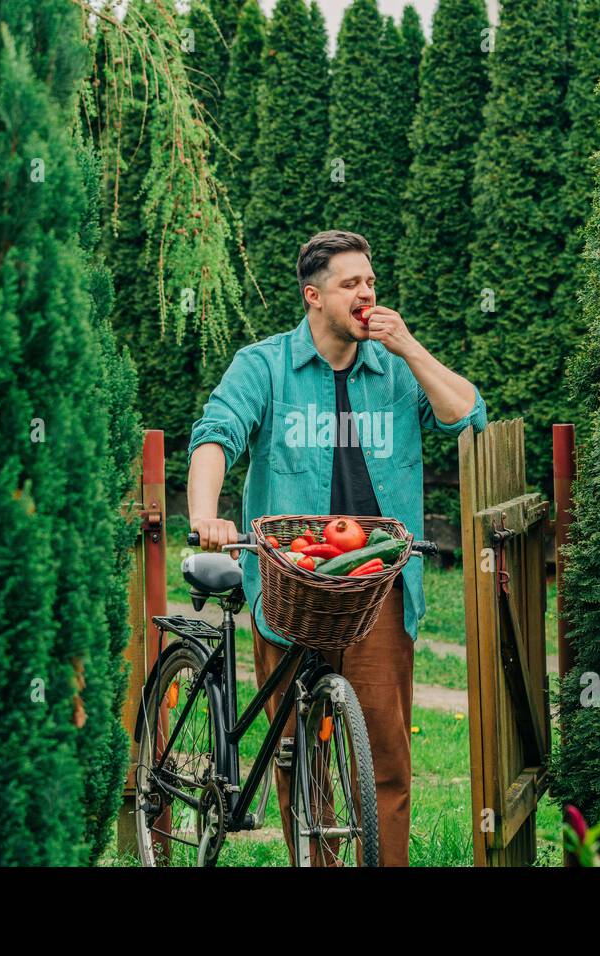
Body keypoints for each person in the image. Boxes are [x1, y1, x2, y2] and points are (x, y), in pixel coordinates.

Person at [186, 229, 487, 865]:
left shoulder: (395, 368)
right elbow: (215, 435)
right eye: (350, 283)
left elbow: (469, 417)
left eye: (370, 282)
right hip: (291, 582)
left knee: (383, 757)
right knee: (300, 757)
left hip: (376, 585)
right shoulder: (264, 366)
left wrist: (408, 346)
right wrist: (205, 515)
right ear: (313, 296)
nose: (366, 293)